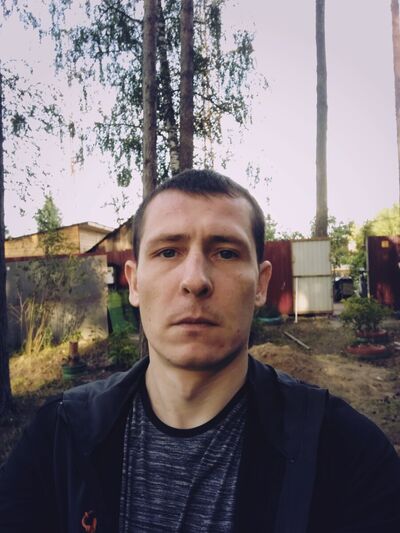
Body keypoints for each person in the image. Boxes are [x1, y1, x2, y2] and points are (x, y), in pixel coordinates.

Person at [0, 169, 399, 533]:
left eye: (225, 252)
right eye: (168, 251)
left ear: (260, 285)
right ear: (134, 283)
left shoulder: (346, 454)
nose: (195, 280)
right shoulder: (59, 439)